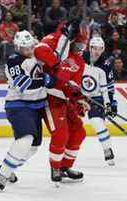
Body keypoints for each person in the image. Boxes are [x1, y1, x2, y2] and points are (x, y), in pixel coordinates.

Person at [0, 31, 55, 191]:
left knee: (33, 146)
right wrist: (45, 80)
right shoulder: (14, 61)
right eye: (24, 48)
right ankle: (2, 177)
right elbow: (24, 86)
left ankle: (4, 168)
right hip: (18, 105)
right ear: (18, 47)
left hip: (37, 107)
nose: (28, 50)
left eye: (30, 47)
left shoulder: (39, 54)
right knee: (25, 140)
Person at [34, 22, 89, 183]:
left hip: (64, 100)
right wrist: (62, 37)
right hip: (49, 98)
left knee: (79, 131)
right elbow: (39, 49)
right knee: (61, 134)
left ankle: (65, 166)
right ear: (71, 41)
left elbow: (75, 87)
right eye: (78, 44)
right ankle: (55, 167)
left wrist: (79, 100)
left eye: (83, 46)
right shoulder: (57, 45)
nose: (80, 49)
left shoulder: (79, 62)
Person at [83, 36, 117, 166]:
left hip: (96, 97)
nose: (97, 51)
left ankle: (107, 149)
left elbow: (109, 86)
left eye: (100, 49)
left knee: (97, 122)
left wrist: (111, 103)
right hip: (77, 96)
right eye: (94, 48)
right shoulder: (79, 58)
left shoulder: (105, 65)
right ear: (89, 47)